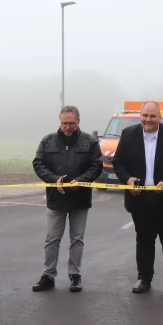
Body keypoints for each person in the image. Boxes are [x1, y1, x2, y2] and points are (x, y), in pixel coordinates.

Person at [112, 101, 163, 296]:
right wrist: (127, 179)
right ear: (140, 116)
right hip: (139, 199)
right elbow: (118, 162)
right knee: (144, 240)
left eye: (153, 116)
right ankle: (144, 279)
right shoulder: (128, 135)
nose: (148, 120)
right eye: (145, 116)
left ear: (160, 117)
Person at [31, 106, 103, 292]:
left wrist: (81, 180)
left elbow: (97, 166)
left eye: (71, 123)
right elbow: (38, 163)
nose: (68, 126)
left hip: (80, 198)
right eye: (64, 123)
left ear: (78, 122)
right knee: (52, 239)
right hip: (56, 198)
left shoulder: (90, 142)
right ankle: (48, 275)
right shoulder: (48, 141)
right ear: (59, 121)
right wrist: (54, 180)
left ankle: (75, 275)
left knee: (77, 239)